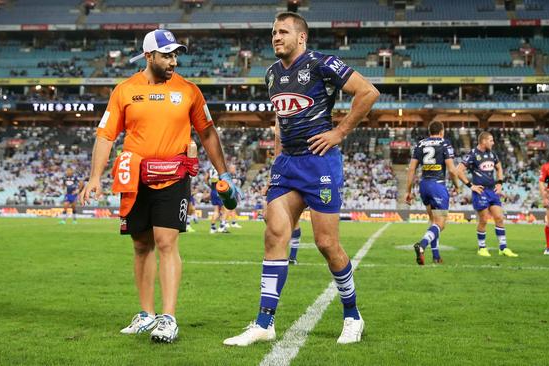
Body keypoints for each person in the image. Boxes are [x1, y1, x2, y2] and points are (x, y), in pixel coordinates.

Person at [223, 12, 379, 347]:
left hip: (319, 163)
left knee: (326, 244)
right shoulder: (271, 74)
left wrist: (339, 132)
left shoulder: (323, 64)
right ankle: (264, 323)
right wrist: (276, 162)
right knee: (274, 234)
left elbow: (367, 92)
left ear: (301, 37)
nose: (275, 37)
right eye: (273, 32)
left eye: (282, 32)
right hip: (286, 165)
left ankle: (353, 315)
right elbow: (281, 121)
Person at [79, 29, 240, 343]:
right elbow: (106, 135)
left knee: (166, 243)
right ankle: (146, 314)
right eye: (166, 55)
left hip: (173, 176)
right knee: (141, 246)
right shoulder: (124, 91)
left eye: (175, 54)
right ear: (148, 56)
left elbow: (207, 133)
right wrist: (95, 177)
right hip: (135, 177)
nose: (173, 61)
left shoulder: (190, 91)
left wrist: (224, 172)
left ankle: (168, 318)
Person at [405, 121, 460, 265]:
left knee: (433, 222)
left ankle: (436, 256)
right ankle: (422, 245)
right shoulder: (445, 143)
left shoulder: (420, 144)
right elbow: (452, 170)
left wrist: (408, 191)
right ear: (442, 131)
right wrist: (457, 186)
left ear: (430, 131)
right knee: (441, 224)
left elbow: (411, 169)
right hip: (437, 185)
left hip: (423, 185)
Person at [457, 131, 518, 258]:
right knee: (484, 219)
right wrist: (471, 186)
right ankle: (482, 248)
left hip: (492, 191)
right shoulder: (473, 154)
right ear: (483, 141)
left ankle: (503, 248)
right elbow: (459, 171)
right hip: (480, 191)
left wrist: (500, 183)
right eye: (491, 140)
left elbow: (499, 168)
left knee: (499, 218)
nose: (493, 142)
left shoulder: (492, 154)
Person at [206, 165, 229, 234]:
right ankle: (222, 226)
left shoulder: (210, 168)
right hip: (220, 190)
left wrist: (211, 186)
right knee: (226, 209)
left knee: (216, 210)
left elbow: (205, 178)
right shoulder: (221, 167)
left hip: (213, 190)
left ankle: (213, 228)